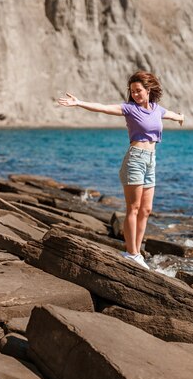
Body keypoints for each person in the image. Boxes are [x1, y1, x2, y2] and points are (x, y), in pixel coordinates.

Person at [57, 70, 184, 269]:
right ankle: (131, 252)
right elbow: (103, 108)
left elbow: (170, 115)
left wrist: (180, 117)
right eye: (132, 91)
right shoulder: (129, 109)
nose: (135, 94)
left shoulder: (157, 109)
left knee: (146, 209)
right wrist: (79, 102)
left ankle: (137, 252)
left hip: (151, 160)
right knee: (133, 208)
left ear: (148, 90)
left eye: (138, 91)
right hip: (135, 159)